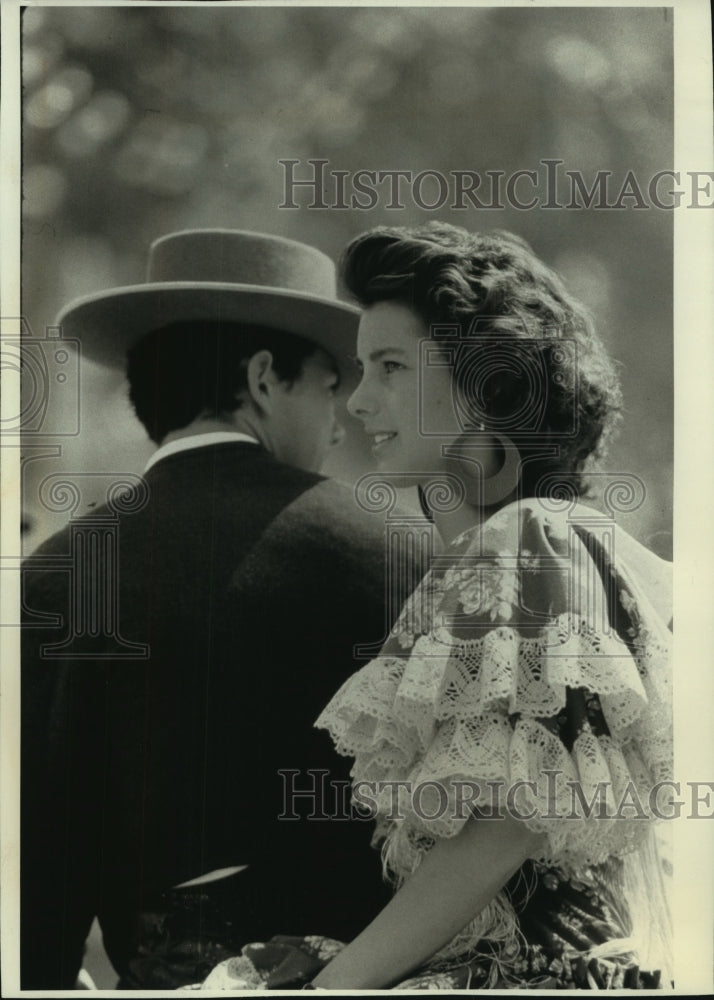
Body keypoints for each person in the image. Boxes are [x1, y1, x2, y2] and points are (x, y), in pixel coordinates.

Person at [198, 223, 673, 990]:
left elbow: (501, 828)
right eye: (357, 369)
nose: (357, 400)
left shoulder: (528, 539)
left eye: (390, 367)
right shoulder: (570, 543)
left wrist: (336, 986)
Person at [20, 229, 422, 989]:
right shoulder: (395, 549)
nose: (343, 424)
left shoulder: (52, 577)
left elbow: (36, 869)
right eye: (330, 387)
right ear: (265, 378)